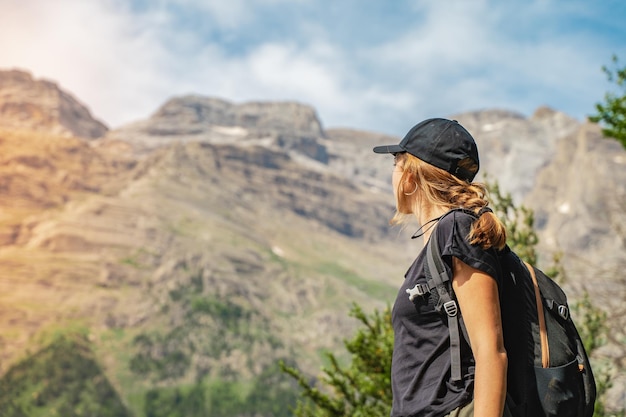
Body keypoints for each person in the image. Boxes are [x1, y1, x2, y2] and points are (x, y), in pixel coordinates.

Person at [373, 118, 511, 417]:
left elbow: (491, 352)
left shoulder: (457, 229)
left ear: (411, 175)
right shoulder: (442, 238)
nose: (392, 174)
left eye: (396, 163)